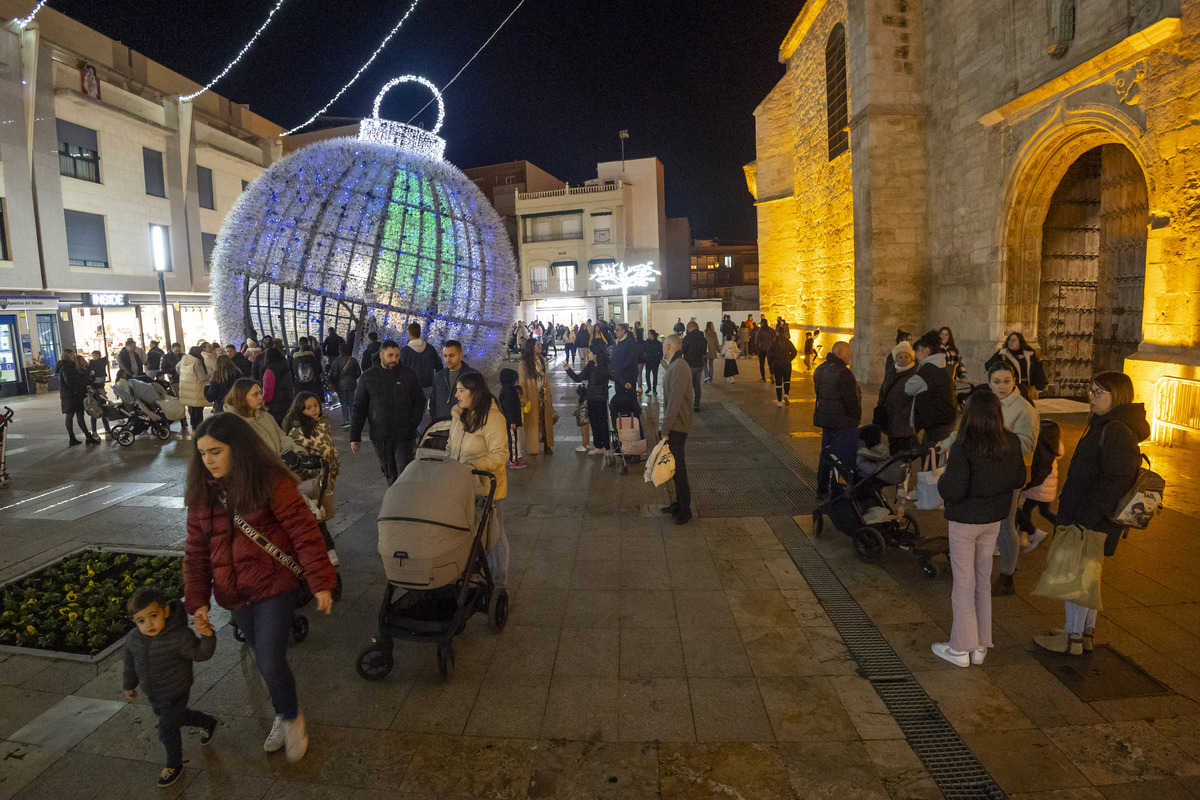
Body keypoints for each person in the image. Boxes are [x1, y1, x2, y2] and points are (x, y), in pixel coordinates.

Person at [183, 413, 336, 764]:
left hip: (273, 586)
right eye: (202, 453)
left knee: (269, 659)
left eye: (216, 451)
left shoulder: (271, 482)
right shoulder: (201, 493)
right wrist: (197, 601)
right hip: (234, 594)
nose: (208, 460)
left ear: (238, 448)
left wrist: (320, 581)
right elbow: (195, 552)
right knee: (266, 661)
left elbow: (304, 531)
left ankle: (292, 718)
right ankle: (283, 714)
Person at [1033, 371, 1148, 655]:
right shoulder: (1108, 424)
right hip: (1091, 514)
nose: (1091, 397)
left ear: (1117, 396)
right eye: (1091, 391)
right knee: (1088, 576)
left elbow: (1115, 479)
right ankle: (1083, 633)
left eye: (1099, 393)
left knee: (1077, 576)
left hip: (1090, 516)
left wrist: (1085, 516)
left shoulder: (1116, 429)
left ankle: (1071, 639)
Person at [931, 391, 1027, 668]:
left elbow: (953, 488)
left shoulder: (965, 444)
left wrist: (941, 484)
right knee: (982, 578)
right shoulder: (1010, 440)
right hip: (993, 519)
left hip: (965, 521)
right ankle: (981, 645)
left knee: (963, 581)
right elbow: (1020, 477)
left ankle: (960, 648)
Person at [122, 585, 217, 788]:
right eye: (141, 620)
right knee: (179, 718)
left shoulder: (179, 636)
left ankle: (175, 765)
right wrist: (129, 685)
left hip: (177, 690)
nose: (149, 624)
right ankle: (208, 722)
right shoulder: (133, 640)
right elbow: (130, 664)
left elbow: (201, 654)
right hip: (154, 693)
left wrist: (207, 635)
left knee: (167, 729)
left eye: (154, 615)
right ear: (134, 622)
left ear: (165, 611)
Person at [447, 371, 510, 587]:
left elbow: (501, 453)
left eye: (461, 391)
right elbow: (451, 446)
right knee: (469, 534)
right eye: (457, 390)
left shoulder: (492, 418)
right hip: (461, 486)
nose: (457, 395)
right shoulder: (458, 415)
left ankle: (499, 583)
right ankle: (472, 574)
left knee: (495, 536)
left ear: (475, 393)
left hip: (486, 487)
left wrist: (473, 466)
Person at [983, 360, 1039, 597]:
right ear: (989, 382)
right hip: (987, 472)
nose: (1002, 386)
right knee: (991, 524)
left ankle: (1007, 575)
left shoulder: (1024, 409)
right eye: (997, 382)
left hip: (1009, 474)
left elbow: (1027, 444)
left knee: (1006, 525)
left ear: (1015, 381)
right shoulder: (988, 403)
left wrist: (994, 440)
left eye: (1007, 381)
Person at [350, 340, 426, 484]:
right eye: (390, 355)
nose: (394, 359)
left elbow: (419, 400)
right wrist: (355, 435)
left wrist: (412, 423)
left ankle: (404, 500)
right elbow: (359, 407)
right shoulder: (368, 377)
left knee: (405, 472)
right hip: (381, 435)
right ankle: (394, 498)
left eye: (397, 356)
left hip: (404, 435)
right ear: (381, 355)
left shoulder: (408, 375)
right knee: (389, 471)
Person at [813, 341, 861, 498]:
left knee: (825, 454)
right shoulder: (844, 373)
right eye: (848, 352)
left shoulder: (820, 369)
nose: (851, 356)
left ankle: (821, 488)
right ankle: (837, 489)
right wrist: (856, 418)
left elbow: (819, 393)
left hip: (826, 420)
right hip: (842, 423)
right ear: (840, 352)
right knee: (841, 458)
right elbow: (851, 401)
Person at [284, 392, 341, 520]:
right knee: (319, 514)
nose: (314, 409)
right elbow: (298, 462)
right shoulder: (298, 432)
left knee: (325, 513)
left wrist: (334, 465)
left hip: (327, 478)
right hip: (314, 483)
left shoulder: (321, 423)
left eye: (316, 405)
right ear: (300, 410)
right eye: (308, 408)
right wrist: (318, 473)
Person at [225, 378, 308, 461]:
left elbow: (281, 436)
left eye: (260, 393)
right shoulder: (235, 426)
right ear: (242, 397)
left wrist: (289, 450)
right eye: (255, 394)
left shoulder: (265, 416)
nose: (261, 397)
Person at [660, 334, 694, 525]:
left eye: (665, 345)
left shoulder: (680, 366)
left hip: (678, 426)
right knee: (673, 466)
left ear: (670, 346)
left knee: (678, 467)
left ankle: (685, 509)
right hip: (675, 424)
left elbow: (674, 401)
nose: (663, 348)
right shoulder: (675, 365)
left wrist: (665, 428)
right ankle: (679, 503)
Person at [1018, 419, 1063, 553]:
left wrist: (1027, 486)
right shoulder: (1054, 446)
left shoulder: (1043, 449)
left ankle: (1032, 533)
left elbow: (1039, 472)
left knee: (1024, 510)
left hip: (1039, 488)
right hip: (1046, 489)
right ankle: (1062, 530)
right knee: (1044, 511)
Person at [905, 330, 958, 445]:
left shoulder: (928, 371)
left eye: (917, 351)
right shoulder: (939, 367)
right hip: (943, 421)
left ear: (926, 351)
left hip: (938, 425)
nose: (915, 355)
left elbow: (909, 388)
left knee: (933, 459)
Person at [564, 343, 612, 455]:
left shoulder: (605, 364)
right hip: (591, 398)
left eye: (590, 352)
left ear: (595, 354)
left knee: (603, 423)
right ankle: (598, 446)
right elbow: (578, 378)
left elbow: (614, 375)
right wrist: (568, 370)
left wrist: (625, 384)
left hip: (601, 398)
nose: (588, 354)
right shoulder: (590, 366)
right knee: (594, 423)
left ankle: (607, 446)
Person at [877, 341, 918, 455]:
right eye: (900, 357)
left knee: (904, 455)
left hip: (905, 426)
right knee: (893, 453)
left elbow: (917, 400)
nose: (903, 359)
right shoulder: (892, 373)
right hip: (891, 423)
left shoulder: (914, 376)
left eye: (906, 356)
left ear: (911, 358)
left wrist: (906, 414)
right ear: (896, 358)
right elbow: (883, 392)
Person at [518, 338, 556, 456]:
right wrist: (523, 398)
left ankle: (547, 444)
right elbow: (522, 381)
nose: (540, 346)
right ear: (531, 347)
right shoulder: (524, 363)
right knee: (533, 422)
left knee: (545, 420)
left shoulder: (541, 359)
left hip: (543, 394)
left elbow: (545, 378)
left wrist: (548, 393)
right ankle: (532, 447)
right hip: (532, 396)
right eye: (537, 345)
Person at [399, 322, 445, 417]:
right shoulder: (430, 349)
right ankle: (420, 430)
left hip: (409, 387)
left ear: (409, 334)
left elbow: (400, 371)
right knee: (421, 413)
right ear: (420, 333)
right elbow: (440, 367)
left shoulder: (405, 351)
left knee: (408, 412)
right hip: (427, 386)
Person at [985, 332, 1048, 398]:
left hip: (1027, 389)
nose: (1010, 342)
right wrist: (999, 359)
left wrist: (1040, 386)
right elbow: (987, 366)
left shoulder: (1030, 354)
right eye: (1009, 340)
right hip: (1010, 390)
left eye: (1014, 340)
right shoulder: (1003, 354)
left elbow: (1038, 371)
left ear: (1020, 342)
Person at [430, 340, 478, 425]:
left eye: (451, 356)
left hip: (463, 426)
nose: (447, 359)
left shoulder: (473, 376)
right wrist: (435, 420)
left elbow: (479, 403)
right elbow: (433, 402)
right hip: (441, 426)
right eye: (445, 356)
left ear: (460, 355)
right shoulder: (439, 376)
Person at [57, 350, 97, 445]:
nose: (73, 356)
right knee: (70, 414)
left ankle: (87, 436)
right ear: (66, 356)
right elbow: (70, 382)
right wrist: (80, 386)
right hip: (70, 395)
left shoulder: (72, 365)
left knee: (79, 414)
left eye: (73, 354)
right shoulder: (66, 367)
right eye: (70, 354)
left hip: (75, 394)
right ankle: (73, 437)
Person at [497, 368, 527, 469]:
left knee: (513, 439)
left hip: (512, 421)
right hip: (510, 422)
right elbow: (509, 409)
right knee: (512, 441)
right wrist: (512, 421)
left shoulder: (509, 390)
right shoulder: (508, 392)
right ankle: (512, 461)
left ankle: (514, 458)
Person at [328, 342, 361, 427]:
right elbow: (358, 372)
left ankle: (346, 420)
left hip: (340, 385)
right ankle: (354, 419)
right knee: (351, 402)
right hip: (351, 384)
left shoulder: (336, 361)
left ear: (340, 351)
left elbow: (334, 374)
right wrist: (353, 378)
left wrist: (333, 382)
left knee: (344, 403)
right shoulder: (353, 360)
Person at [178, 346, 210, 430]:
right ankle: (200, 426)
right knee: (199, 408)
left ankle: (193, 425)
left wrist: (184, 375)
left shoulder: (184, 358)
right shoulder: (197, 361)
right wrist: (211, 374)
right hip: (197, 388)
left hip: (186, 386)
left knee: (193, 407)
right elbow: (202, 378)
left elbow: (177, 368)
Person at [260, 345, 294, 425]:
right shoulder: (286, 367)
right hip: (288, 400)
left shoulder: (269, 371)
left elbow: (268, 391)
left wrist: (263, 402)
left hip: (275, 405)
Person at [767, 328, 797, 406]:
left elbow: (769, 355)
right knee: (787, 380)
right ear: (784, 333)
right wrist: (789, 358)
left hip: (777, 364)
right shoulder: (788, 342)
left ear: (777, 333)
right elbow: (794, 351)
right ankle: (786, 394)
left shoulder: (773, 343)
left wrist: (771, 366)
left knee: (778, 383)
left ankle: (779, 401)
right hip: (786, 364)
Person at [681, 321, 706, 411]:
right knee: (697, 386)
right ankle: (696, 405)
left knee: (688, 386)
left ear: (689, 328)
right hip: (700, 365)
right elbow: (704, 352)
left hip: (690, 365)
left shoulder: (687, 338)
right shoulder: (703, 338)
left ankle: (688, 405)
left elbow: (682, 350)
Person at [611, 323, 638, 392]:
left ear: (623, 331)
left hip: (627, 374)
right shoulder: (616, 341)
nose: (616, 332)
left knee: (628, 395)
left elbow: (631, 358)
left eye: (618, 330)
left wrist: (620, 368)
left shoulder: (629, 342)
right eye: (615, 330)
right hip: (618, 374)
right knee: (618, 393)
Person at [570, 384, 591, 453]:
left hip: (583, 420)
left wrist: (575, 413)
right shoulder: (586, 402)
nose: (577, 396)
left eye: (578, 394)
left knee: (584, 433)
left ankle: (584, 445)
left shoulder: (583, 403)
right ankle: (587, 444)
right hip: (586, 419)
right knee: (586, 433)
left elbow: (581, 411)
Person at [642, 330, 663, 396]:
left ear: (652, 335)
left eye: (649, 334)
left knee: (655, 375)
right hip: (648, 361)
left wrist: (659, 359)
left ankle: (654, 389)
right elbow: (644, 350)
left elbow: (661, 352)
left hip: (655, 361)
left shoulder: (658, 343)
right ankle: (649, 388)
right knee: (647, 375)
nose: (648, 335)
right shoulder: (646, 342)